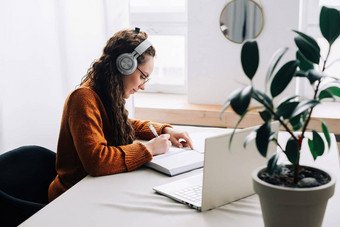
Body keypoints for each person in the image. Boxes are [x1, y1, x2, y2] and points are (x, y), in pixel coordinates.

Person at [48, 28, 194, 202]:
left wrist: (166, 131)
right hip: (71, 197)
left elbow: (125, 124)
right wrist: (148, 149)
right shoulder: (83, 98)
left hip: (95, 190)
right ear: (125, 64)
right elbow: (97, 160)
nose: (143, 86)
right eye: (142, 77)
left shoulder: (105, 92)